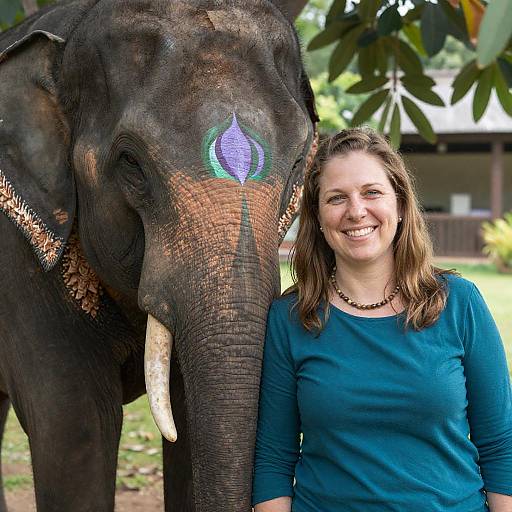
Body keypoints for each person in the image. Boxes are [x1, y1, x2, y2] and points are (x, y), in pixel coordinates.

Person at [252, 127, 512, 512]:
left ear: (401, 205)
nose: (356, 211)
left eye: (372, 192)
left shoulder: (458, 303)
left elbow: (501, 444)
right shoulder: (290, 319)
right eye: (337, 198)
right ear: (319, 218)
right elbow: (273, 458)